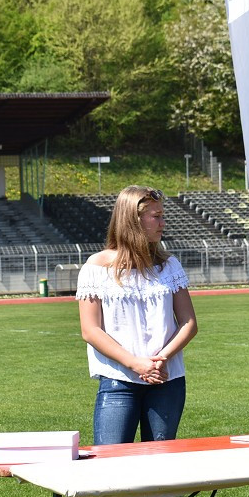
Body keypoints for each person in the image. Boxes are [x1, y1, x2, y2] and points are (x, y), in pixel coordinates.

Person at [77, 186, 198, 447]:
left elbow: (188, 322)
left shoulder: (169, 265)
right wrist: (135, 364)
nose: (163, 223)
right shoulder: (96, 267)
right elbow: (91, 330)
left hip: (167, 380)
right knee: (109, 466)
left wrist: (161, 359)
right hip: (118, 380)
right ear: (133, 219)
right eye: (156, 216)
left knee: (158, 469)